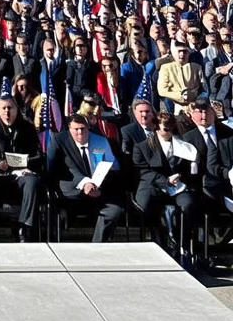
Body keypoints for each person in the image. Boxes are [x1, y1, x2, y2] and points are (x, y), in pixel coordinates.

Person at [47, 113, 124, 242]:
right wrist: (85, 183)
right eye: (75, 129)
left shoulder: (100, 140)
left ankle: (97, 245)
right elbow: (60, 168)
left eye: (83, 128)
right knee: (60, 210)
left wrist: (98, 184)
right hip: (72, 188)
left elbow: (114, 165)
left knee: (114, 211)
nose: (80, 132)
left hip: (99, 189)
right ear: (69, 129)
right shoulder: (60, 140)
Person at [132, 110, 199, 257]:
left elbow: (191, 169)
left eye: (171, 128)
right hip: (153, 184)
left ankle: (182, 242)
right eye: (165, 128)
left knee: (188, 204)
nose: (169, 132)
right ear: (156, 127)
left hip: (178, 186)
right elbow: (143, 171)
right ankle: (155, 236)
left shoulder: (183, 146)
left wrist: (180, 175)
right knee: (144, 204)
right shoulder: (142, 147)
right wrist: (165, 181)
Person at [0, 95, 45, 240]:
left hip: (21, 175)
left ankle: (24, 227)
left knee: (32, 183)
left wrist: (22, 163)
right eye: (3, 108)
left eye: (10, 108)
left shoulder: (27, 127)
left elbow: (39, 156)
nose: (7, 112)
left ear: (16, 109)